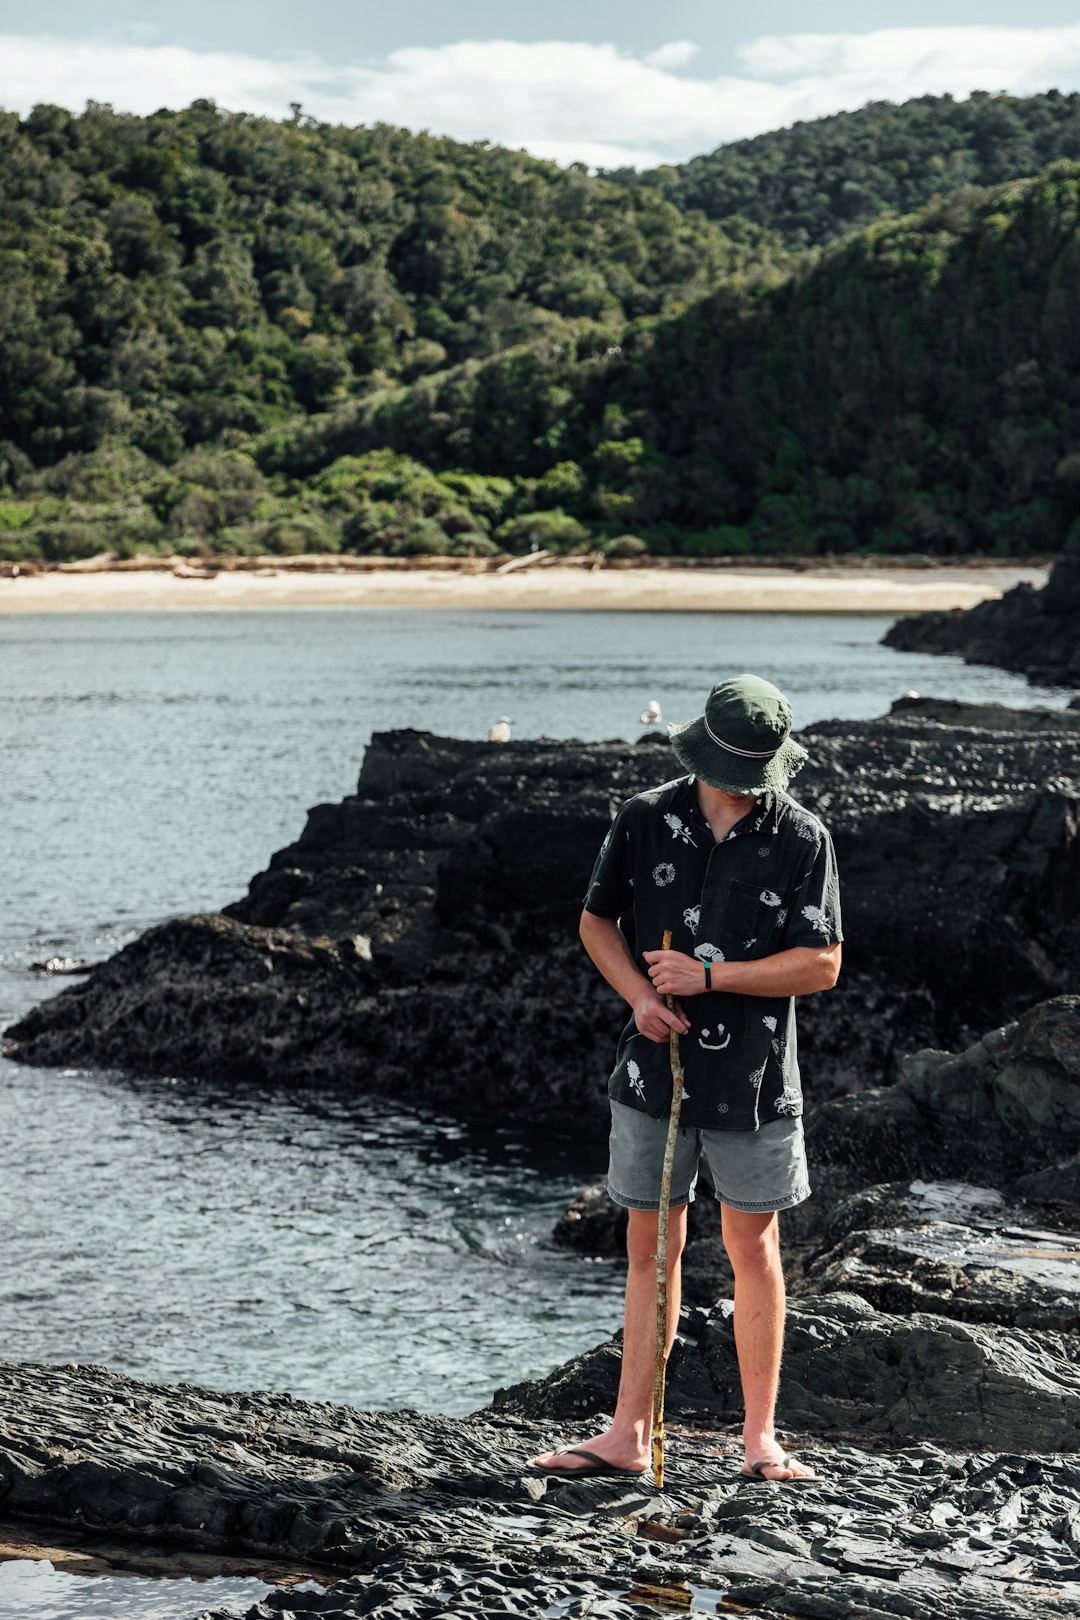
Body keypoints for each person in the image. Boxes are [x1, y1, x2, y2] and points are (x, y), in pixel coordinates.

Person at [533, 673, 842, 1484]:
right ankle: (628, 1436)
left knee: (753, 1249)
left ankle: (761, 1440)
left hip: (754, 1081)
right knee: (650, 1250)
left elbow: (822, 963)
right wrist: (638, 994)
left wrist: (712, 980)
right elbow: (596, 921)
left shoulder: (803, 835)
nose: (739, 789)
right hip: (651, 1075)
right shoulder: (644, 817)